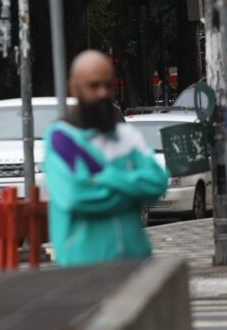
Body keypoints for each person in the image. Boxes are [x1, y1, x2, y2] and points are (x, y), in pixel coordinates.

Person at [43, 50, 168, 267]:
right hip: (83, 267)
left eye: (108, 85)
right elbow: (76, 197)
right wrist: (133, 194)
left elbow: (157, 183)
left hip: (136, 262)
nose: (102, 93)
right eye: (93, 86)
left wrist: (105, 177)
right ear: (74, 88)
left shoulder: (127, 135)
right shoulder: (62, 139)